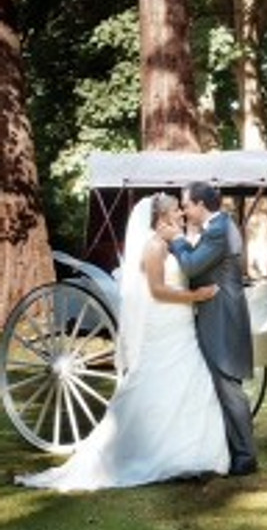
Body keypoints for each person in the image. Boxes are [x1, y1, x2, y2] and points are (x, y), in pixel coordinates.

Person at [15, 194, 229, 491]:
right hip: (164, 319)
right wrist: (195, 297)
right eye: (176, 210)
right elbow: (156, 290)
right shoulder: (154, 246)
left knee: (192, 381)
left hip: (181, 322)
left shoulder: (174, 243)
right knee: (158, 382)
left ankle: (192, 454)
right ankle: (147, 452)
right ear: (162, 217)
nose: (181, 213)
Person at [161, 182, 258, 477]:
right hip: (215, 314)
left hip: (222, 316)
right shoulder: (217, 228)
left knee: (228, 386)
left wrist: (176, 239)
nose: (185, 210)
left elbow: (191, 267)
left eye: (187, 205)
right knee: (222, 386)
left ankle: (246, 456)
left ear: (201, 204)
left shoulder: (219, 230)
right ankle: (233, 449)